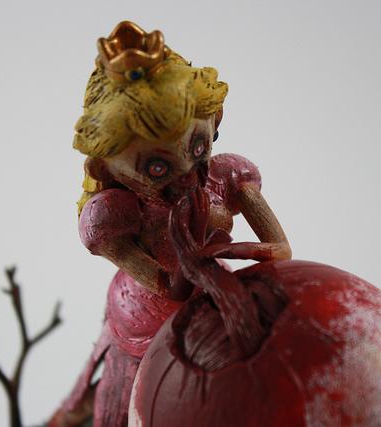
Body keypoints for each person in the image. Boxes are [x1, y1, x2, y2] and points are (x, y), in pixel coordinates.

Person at [49, 21, 291, 427]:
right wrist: (192, 246)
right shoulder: (114, 215)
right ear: (104, 169)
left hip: (211, 293)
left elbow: (281, 250)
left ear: (215, 120)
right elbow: (168, 287)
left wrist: (231, 253)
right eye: (157, 167)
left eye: (197, 147)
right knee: (123, 402)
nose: (188, 175)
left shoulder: (229, 177)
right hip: (141, 316)